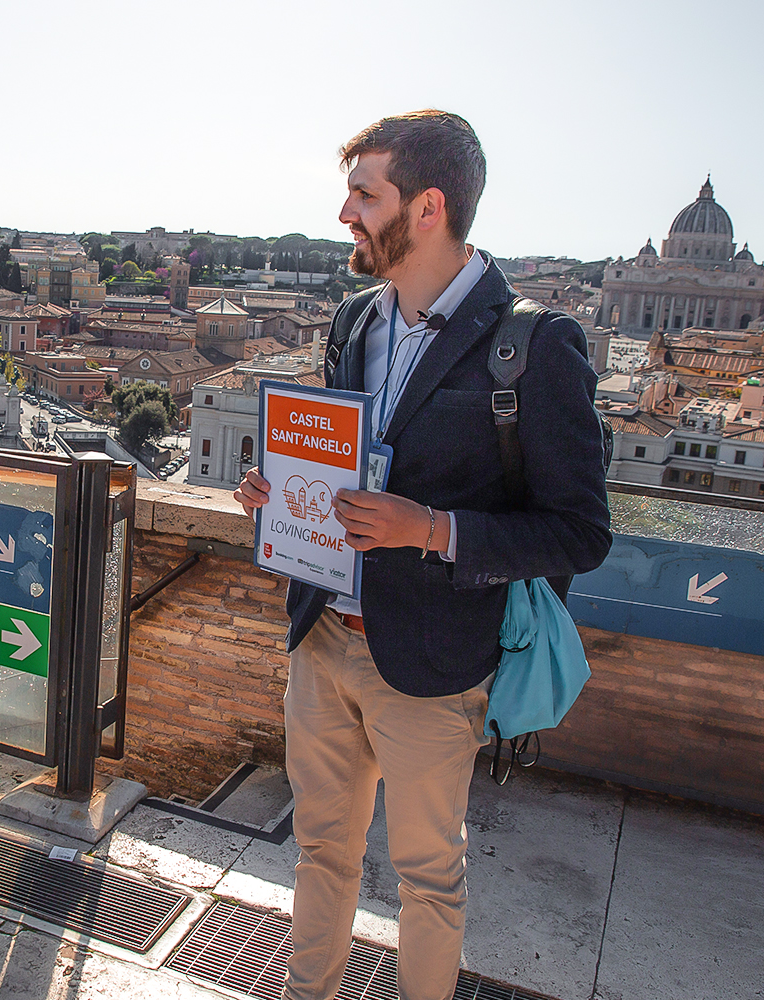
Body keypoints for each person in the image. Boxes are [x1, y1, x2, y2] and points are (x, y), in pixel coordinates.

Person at [234, 111, 611, 1000]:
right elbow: (348, 460)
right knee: (319, 851)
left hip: (435, 663)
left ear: (428, 208)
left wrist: (431, 529)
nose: (345, 215)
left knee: (429, 879)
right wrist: (281, 488)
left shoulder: (534, 345)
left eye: (366, 196)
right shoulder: (354, 320)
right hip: (324, 637)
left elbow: (579, 532)